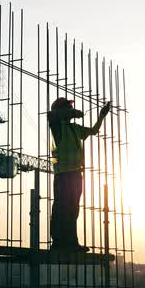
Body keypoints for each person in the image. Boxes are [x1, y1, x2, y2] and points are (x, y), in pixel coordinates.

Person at [48, 98, 111, 251]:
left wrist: (101, 116)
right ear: (62, 110)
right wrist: (72, 113)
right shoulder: (57, 126)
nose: (71, 108)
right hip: (63, 174)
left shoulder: (75, 128)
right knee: (61, 208)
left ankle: (71, 242)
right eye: (68, 106)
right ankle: (58, 242)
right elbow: (52, 115)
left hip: (76, 174)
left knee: (73, 209)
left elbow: (93, 131)